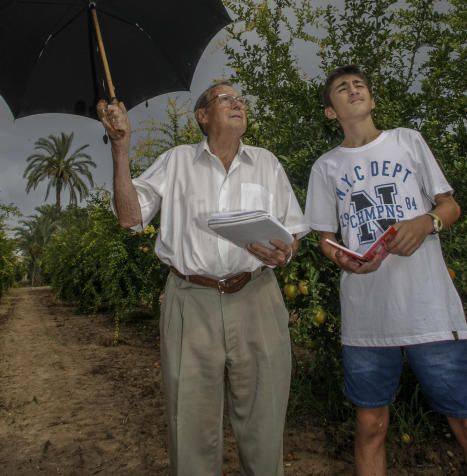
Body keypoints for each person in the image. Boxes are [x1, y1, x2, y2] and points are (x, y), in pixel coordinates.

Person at [97, 81, 309, 476]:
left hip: (258, 297)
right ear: (202, 115)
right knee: (190, 430)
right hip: (189, 301)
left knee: (265, 428)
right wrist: (121, 146)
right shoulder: (176, 161)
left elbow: (292, 232)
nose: (238, 103)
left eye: (241, 99)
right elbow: (129, 217)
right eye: (226, 98)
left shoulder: (267, 162)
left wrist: (287, 250)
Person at [305, 65, 467, 475]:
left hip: (429, 309)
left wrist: (425, 222)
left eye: (360, 84)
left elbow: (450, 206)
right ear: (330, 111)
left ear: (373, 100)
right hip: (367, 315)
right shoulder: (326, 166)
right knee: (370, 424)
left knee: (461, 416)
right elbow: (325, 238)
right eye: (342, 88)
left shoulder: (407, 142)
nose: (353, 89)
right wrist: (341, 257)